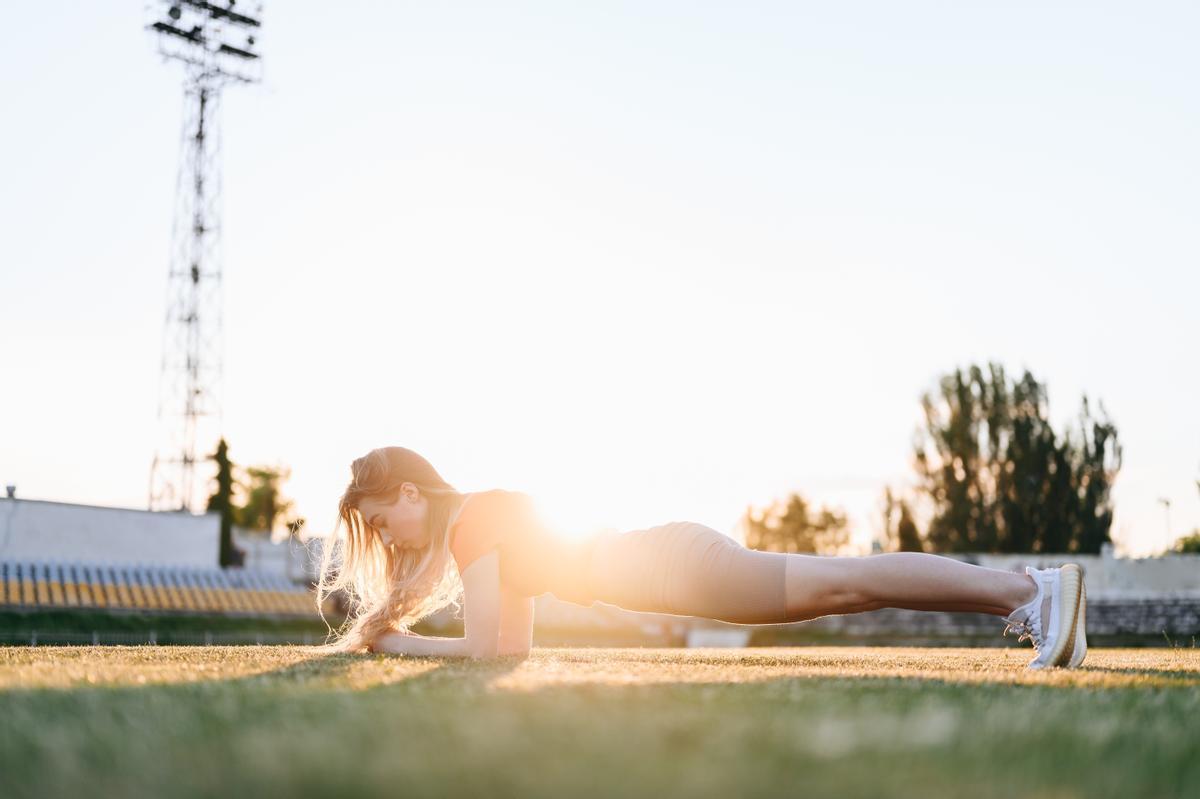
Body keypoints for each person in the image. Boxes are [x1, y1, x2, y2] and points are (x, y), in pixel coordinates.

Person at [314, 446, 1086, 669]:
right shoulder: (479, 521)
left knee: (851, 578)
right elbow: (510, 648)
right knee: (850, 588)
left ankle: (1031, 591)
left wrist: (395, 641)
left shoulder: (472, 521)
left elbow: (483, 652)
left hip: (676, 565)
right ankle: (1030, 597)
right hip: (674, 566)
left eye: (384, 522)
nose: (390, 541)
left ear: (413, 493)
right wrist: (397, 631)